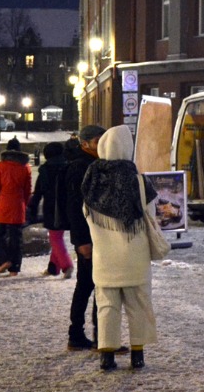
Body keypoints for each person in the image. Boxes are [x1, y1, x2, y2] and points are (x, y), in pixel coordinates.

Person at [82, 124, 160, 372]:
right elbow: (152, 216)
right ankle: (137, 354)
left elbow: (85, 214)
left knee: (107, 307)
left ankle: (107, 355)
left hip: (104, 257)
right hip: (135, 257)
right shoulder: (139, 182)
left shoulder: (92, 181)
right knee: (138, 305)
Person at [62, 124, 104, 350]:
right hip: (89, 237)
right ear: (85, 144)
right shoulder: (81, 167)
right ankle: (79, 334)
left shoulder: (95, 164)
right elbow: (75, 207)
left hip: (98, 235)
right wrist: (81, 241)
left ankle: (98, 335)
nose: (102, 146)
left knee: (97, 286)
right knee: (88, 285)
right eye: (98, 141)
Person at [0, 136, 31, 276]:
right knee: (16, 238)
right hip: (18, 205)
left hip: (2, 204)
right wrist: (25, 203)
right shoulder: (26, 167)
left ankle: (4, 259)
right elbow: (27, 189)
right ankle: (14, 268)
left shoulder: (1, 165)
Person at [31, 141, 74, 278]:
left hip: (52, 208)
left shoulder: (46, 169)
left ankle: (66, 265)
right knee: (58, 236)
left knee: (55, 238)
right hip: (68, 207)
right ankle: (53, 268)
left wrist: (33, 208)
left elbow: (38, 191)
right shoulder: (69, 166)